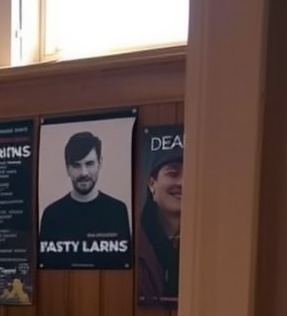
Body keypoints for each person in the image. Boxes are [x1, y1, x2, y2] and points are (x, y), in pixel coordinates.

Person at [38, 130, 131, 263]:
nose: (84, 173)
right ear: (67, 168)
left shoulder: (118, 211)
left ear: (100, 163)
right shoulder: (51, 214)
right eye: (76, 165)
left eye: (89, 164)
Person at [138, 150, 182, 304]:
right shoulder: (135, 243)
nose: (182, 183)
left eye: (191, 174)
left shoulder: (213, 246)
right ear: (152, 184)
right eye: (173, 173)